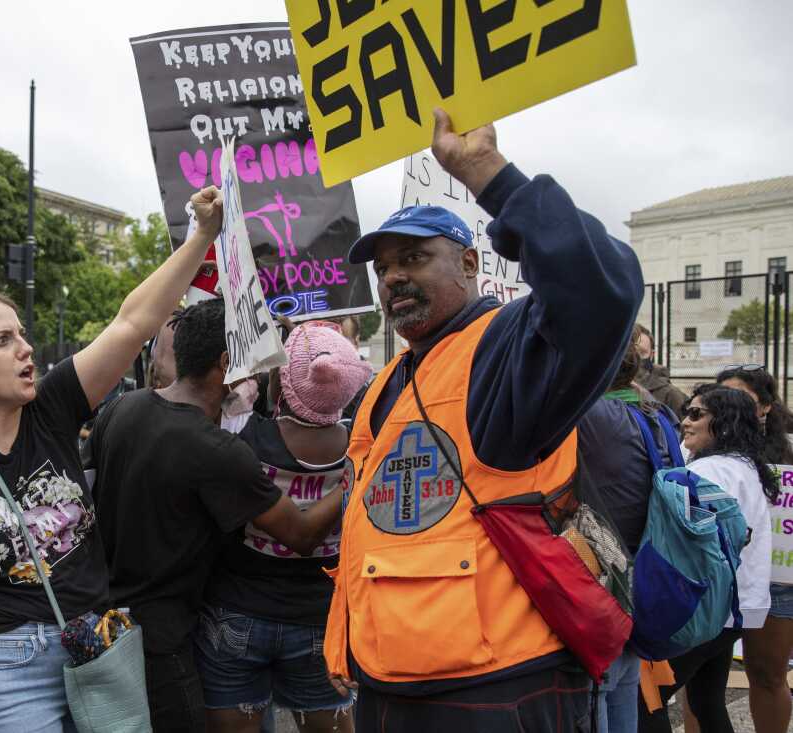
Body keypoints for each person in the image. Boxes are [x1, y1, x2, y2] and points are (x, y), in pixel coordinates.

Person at [324, 108, 643, 732]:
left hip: (496, 685)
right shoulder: (388, 380)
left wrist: (486, 173)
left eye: (414, 259)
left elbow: (602, 289)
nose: (393, 278)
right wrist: (345, 639)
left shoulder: (506, 346)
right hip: (386, 681)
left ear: (470, 265)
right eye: (383, 268)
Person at [0, 185, 226, 733]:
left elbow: (131, 324)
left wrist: (200, 238)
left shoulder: (50, 407)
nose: (26, 348)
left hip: (96, 645)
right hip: (5, 667)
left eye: (21, 334)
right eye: (3, 341)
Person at [88, 299, 348, 731]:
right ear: (227, 363)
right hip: (168, 640)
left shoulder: (123, 408)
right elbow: (300, 534)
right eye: (254, 359)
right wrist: (355, 476)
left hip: (110, 623)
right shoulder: (217, 452)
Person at [197, 321, 371, 733]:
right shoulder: (363, 450)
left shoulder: (243, 438)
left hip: (236, 616)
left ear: (281, 383)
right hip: (320, 622)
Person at [638, 384, 776, 733]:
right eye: (686, 411)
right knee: (706, 700)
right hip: (735, 609)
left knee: (647, 702)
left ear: (725, 422)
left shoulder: (712, 471)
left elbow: (696, 545)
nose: (685, 421)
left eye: (696, 414)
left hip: (706, 608)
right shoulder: (744, 465)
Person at [578, 326, 678, 733]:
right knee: (624, 682)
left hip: (605, 570)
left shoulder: (592, 417)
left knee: (598, 689)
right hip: (645, 564)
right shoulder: (655, 410)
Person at [716, 365, 793, 733]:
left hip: (775, 579)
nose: (728, 404)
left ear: (764, 407)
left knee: (766, 674)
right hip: (717, 578)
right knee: (704, 682)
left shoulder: (788, 454)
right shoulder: (702, 447)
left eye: (740, 396)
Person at [635, 325, 688, 416]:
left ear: (652, 355)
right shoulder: (605, 388)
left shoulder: (670, 395)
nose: (633, 359)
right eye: (629, 352)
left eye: (642, 353)